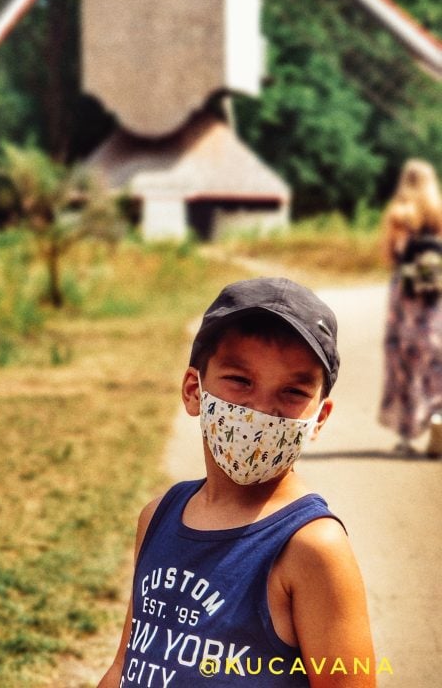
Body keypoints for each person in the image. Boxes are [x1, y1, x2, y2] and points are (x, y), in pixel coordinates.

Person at [97, 277, 376, 688]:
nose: (262, 409)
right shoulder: (158, 517)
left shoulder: (312, 549)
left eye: (293, 391)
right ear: (194, 390)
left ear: (320, 417)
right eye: (240, 381)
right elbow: (127, 662)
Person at [378, 158, 442, 456]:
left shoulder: (400, 214)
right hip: (436, 290)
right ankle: (436, 417)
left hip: (406, 294)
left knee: (404, 358)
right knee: (434, 355)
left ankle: (406, 436)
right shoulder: (438, 212)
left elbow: (391, 254)